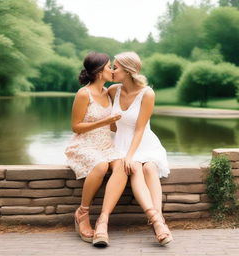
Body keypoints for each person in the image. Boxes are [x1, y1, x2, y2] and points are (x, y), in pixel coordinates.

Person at [108, 51, 173, 246]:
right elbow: (110, 123)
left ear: (127, 71)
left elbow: (140, 129)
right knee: (135, 167)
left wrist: (130, 155)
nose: (112, 71)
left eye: (115, 67)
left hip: (144, 142)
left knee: (149, 167)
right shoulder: (112, 91)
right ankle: (158, 223)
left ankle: (157, 221)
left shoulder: (147, 93)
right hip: (121, 143)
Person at [65, 52, 127, 247]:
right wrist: (106, 121)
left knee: (124, 166)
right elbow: (76, 126)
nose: (112, 70)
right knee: (100, 167)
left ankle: (104, 219)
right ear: (100, 72)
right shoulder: (84, 93)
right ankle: (82, 213)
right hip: (85, 144)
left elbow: (113, 125)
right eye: (109, 67)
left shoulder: (108, 92)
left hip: (107, 144)